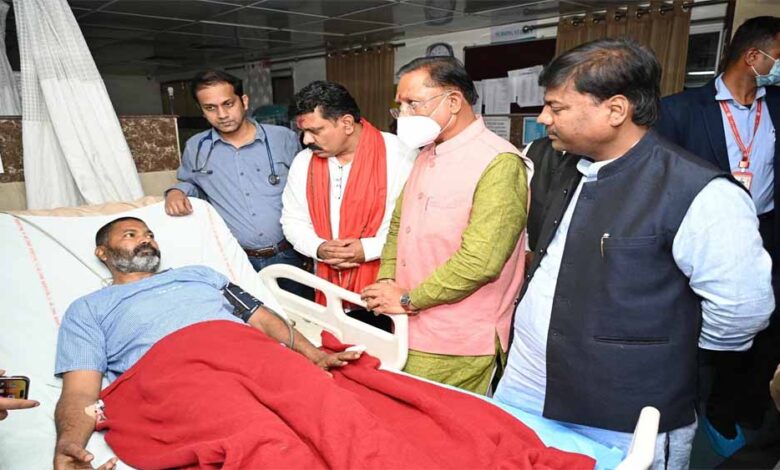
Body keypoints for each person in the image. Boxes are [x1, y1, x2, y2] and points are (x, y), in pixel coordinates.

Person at [493, 37, 774, 468]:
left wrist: (660, 353)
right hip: (527, 385)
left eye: (556, 107)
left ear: (616, 110)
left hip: (623, 408)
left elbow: (741, 311)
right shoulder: (557, 162)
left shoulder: (700, 193)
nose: (543, 118)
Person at [52, 217, 361, 469]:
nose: (146, 240)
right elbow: (80, 391)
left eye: (149, 234)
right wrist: (70, 444)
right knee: (255, 436)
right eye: (131, 235)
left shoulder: (200, 275)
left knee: (334, 409)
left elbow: (259, 316)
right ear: (102, 253)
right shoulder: (88, 308)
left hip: (248, 351)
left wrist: (313, 354)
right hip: (178, 376)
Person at [361, 57, 530, 395]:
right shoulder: (426, 153)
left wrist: (408, 299)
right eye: (400, 106)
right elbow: (399, 226)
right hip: (408, 322)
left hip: (456, 341)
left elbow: (480, 262)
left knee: (438, 423)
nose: (403, 115)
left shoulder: (499, 162)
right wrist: (388, 281)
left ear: (453, 102)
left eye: (412, 104)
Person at [656, 16, 780, 455]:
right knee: (698, 324)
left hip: (766, 228)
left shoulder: (776, 105)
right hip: (705, 236)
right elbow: (663, 181)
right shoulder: (680, 110)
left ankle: (734, 408)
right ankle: (691, 408)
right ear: (754, 56)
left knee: (762, 324)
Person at [281, 81, 416, 328]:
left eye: (315, 130)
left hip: (387, 287)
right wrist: (320, 248)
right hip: (326, 289)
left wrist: (368, 249)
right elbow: (292, 220)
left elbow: (415, 225)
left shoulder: (401, 155)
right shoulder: (303, 162)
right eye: (303, 131)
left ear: (346, 123)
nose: (306, 139)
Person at [164, 70, 310, 297]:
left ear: (244, 101)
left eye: (228, 104)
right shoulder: (196, 147)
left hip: (291, 255)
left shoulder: (282, 138)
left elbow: (309, 187)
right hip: (237, 259)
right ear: (202, 110)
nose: (222, 114)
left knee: (303, 314)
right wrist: (176, 191)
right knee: (251, 318)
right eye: (210, 108)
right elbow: (191, 183)